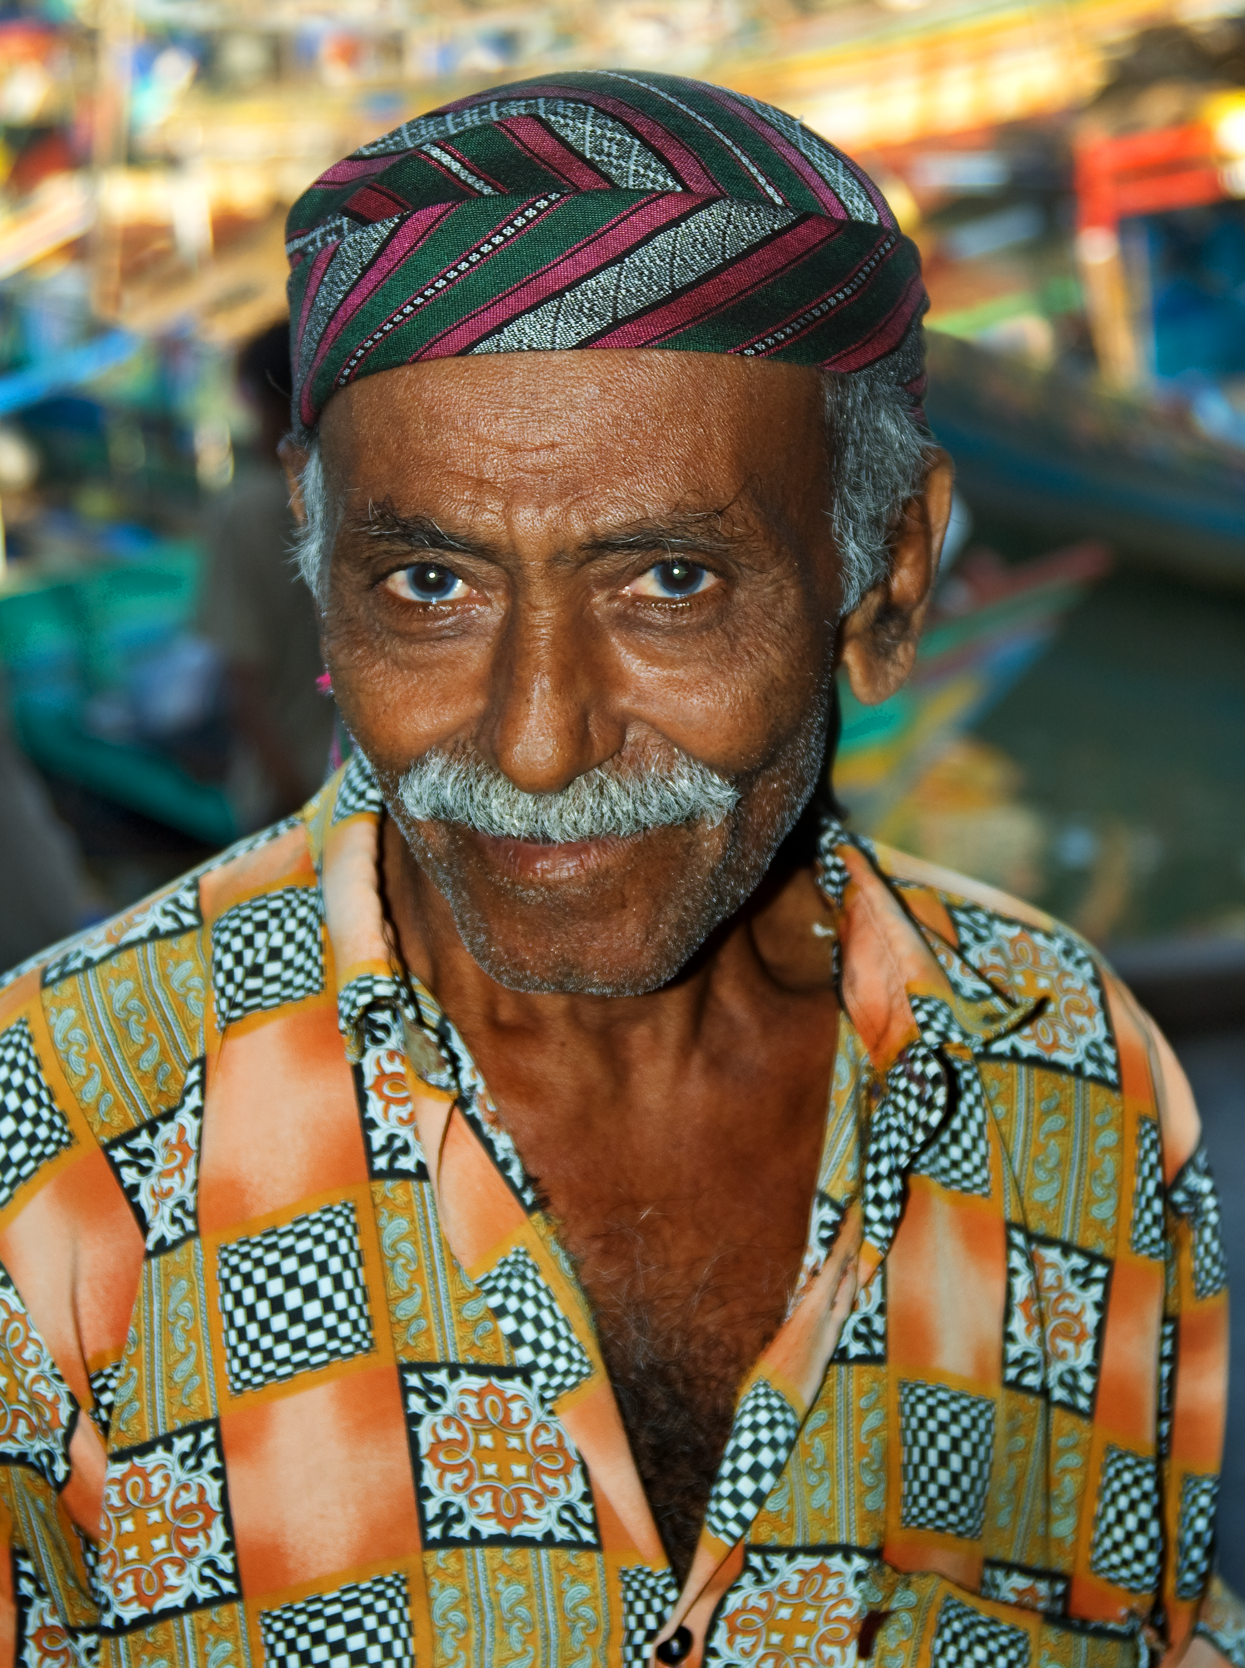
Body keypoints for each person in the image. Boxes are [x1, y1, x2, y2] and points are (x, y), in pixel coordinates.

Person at [0, 71, 1237, 1668]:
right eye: (428, 581)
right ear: (315, 564)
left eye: (669, 580)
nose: (531, 745)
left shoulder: (1066, 1072)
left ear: (888, 578)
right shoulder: (57, 1145)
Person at [200, 320, 335, 828]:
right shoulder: (353, 489)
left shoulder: (251, 510)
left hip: (294, 795)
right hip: (351, 789)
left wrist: (296, 805)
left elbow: (244, 686)